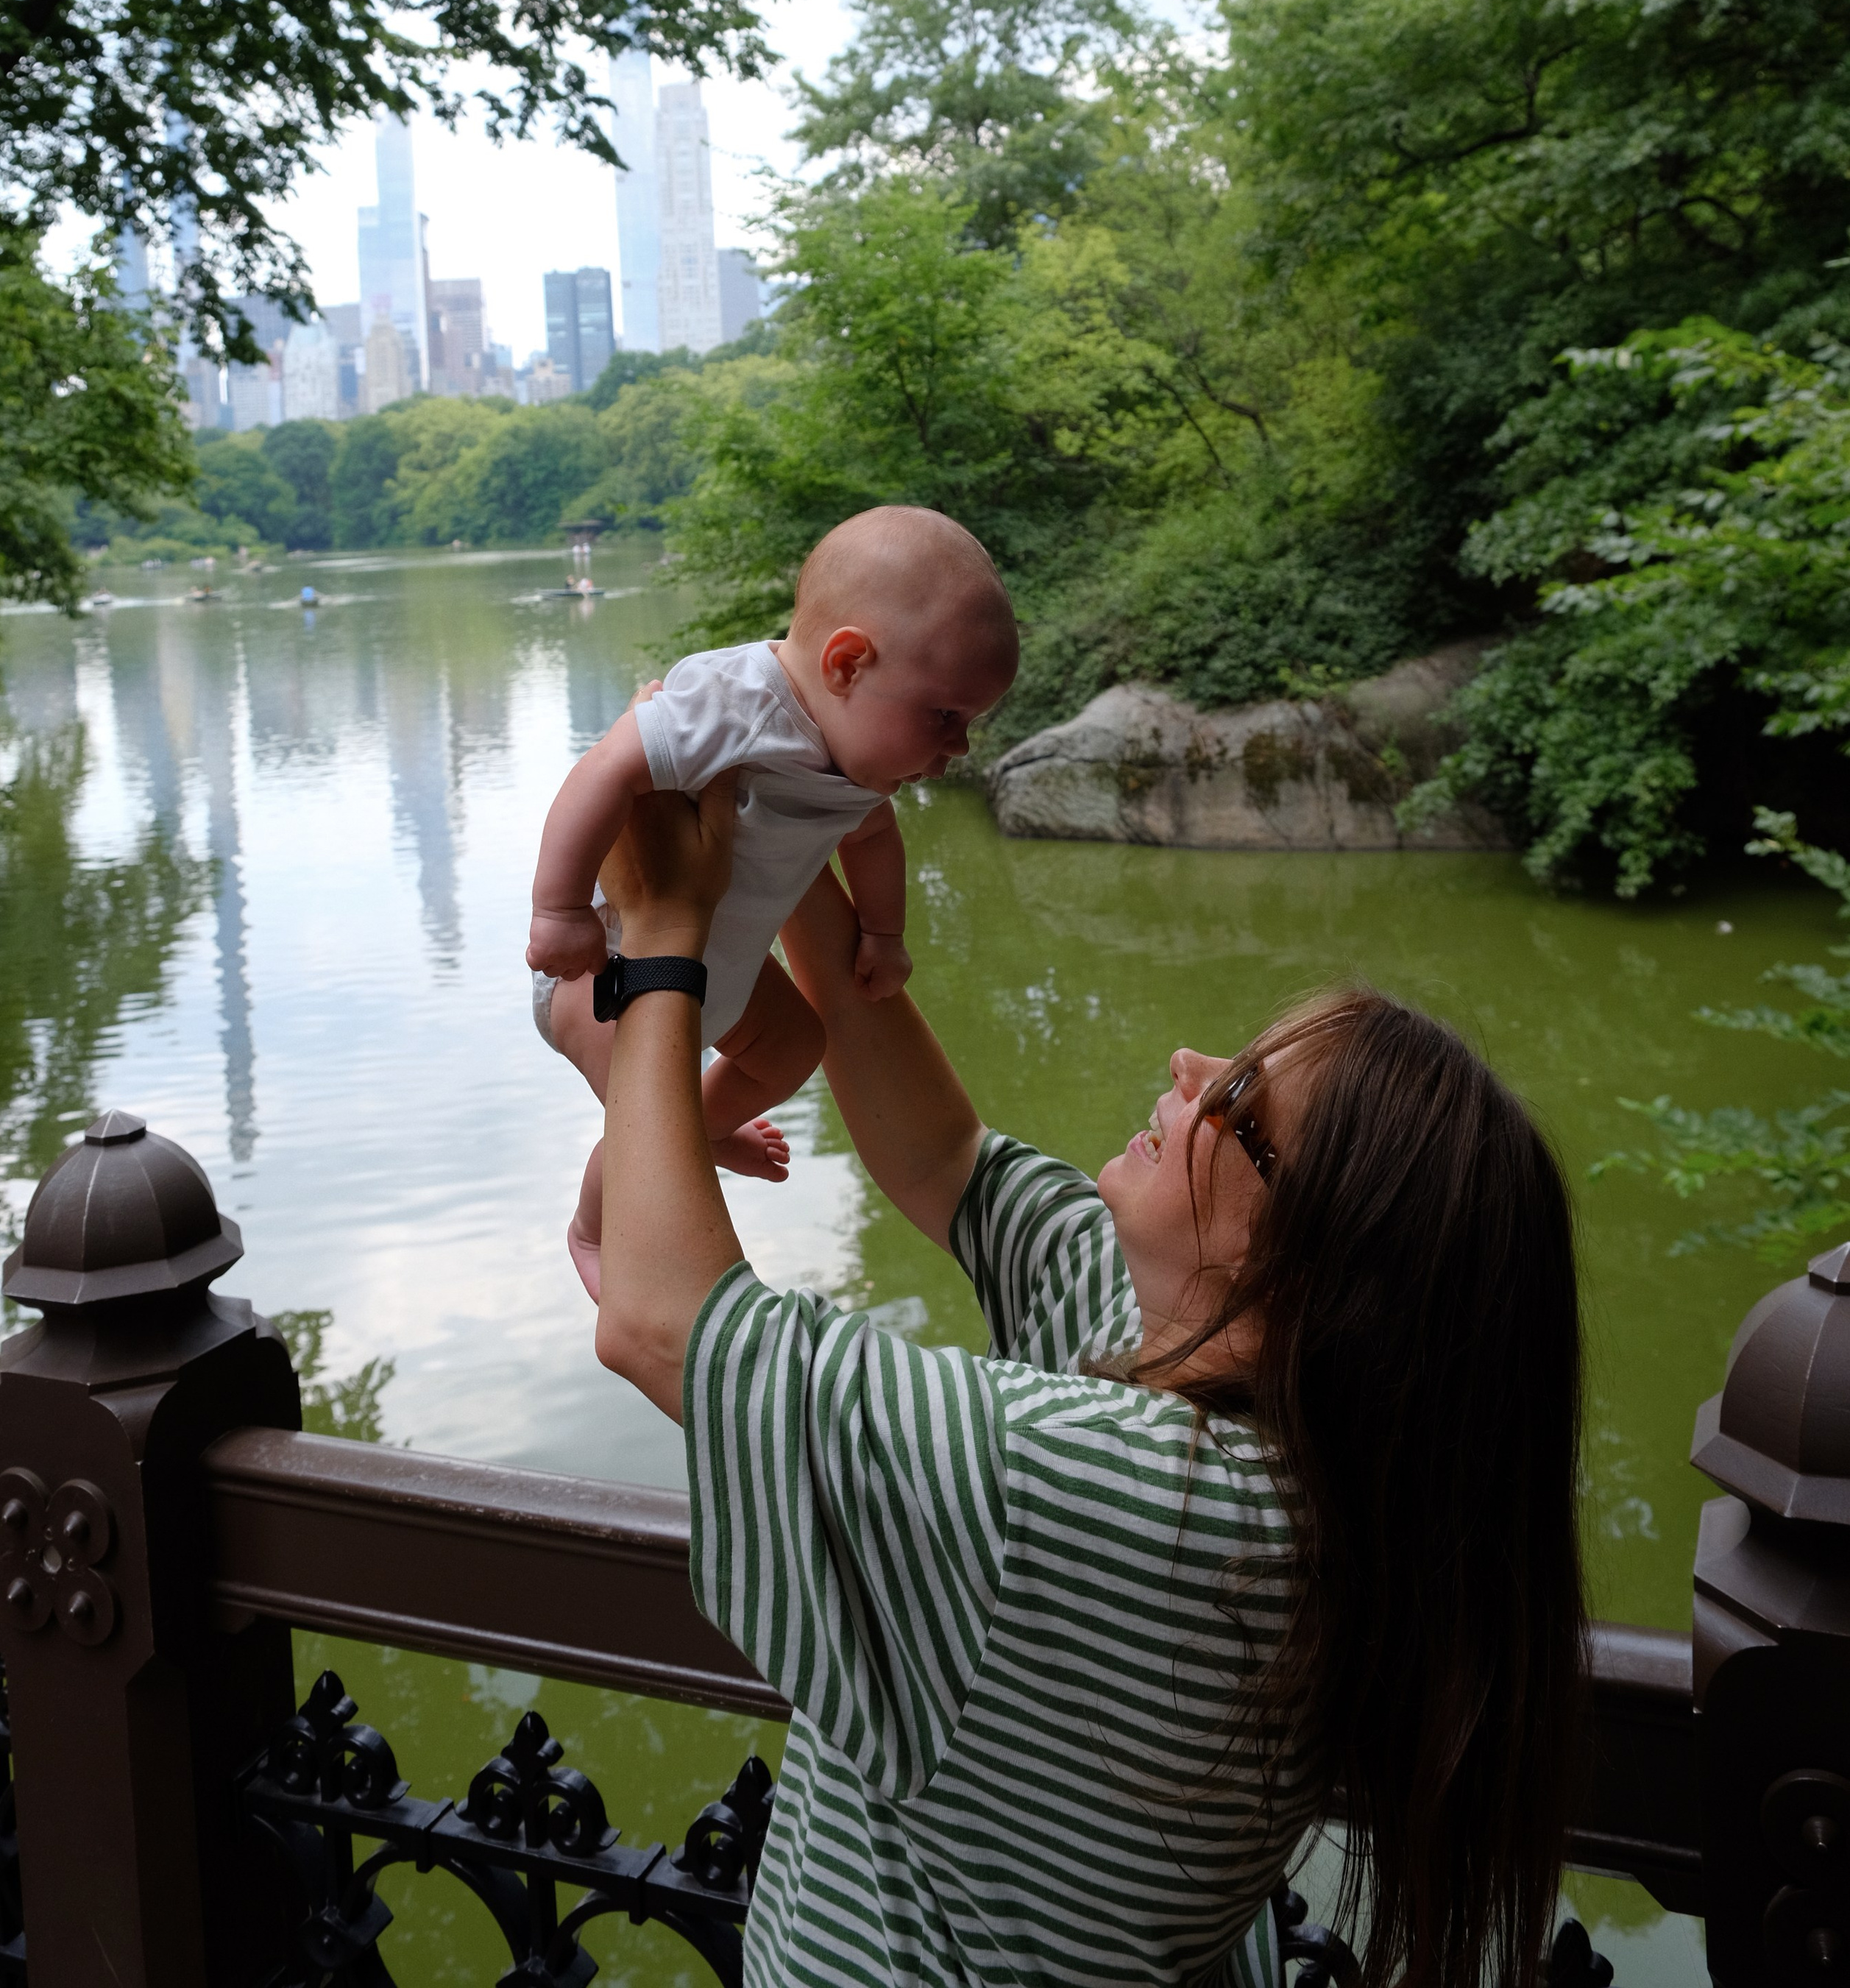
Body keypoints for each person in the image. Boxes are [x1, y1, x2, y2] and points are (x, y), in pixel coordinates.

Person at [589, 780, 1587, 1988]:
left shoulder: (1127, 1499)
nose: (1191, 1064)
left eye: (1241, 1105)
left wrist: (660, 937)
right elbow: (943, 1159)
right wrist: (800, 818)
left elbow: (663, 1322)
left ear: (1311, 1275)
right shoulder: (1281, 1441)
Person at [528, 506, 1020, 1294]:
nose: (959, 747)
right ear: (847, 663)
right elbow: (605, 768)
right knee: (648, 1126)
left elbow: (871, 837)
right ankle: (593, 1229)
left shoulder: (853, 758)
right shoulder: (731, 703)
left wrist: (883, 934)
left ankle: (705, 1123)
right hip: (603, 970)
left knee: (796, 1046)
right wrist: (558, 913)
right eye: (946, 716)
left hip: (724, 972)